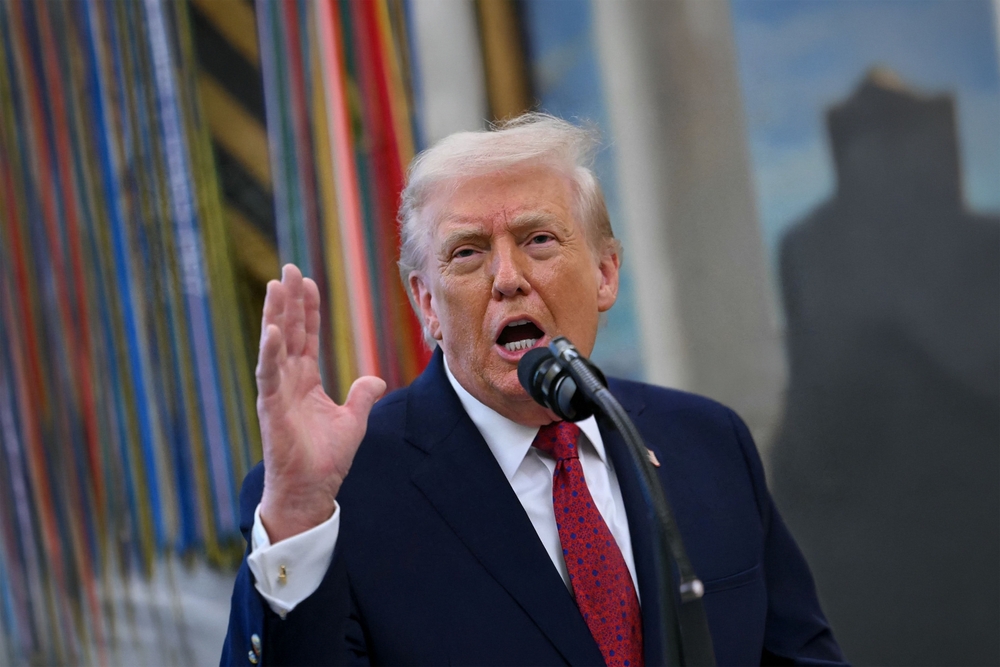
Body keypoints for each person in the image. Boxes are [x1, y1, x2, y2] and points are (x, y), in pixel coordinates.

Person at [221, 114, 845, 666]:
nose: (507, 278)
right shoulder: (331, 500)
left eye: (538, 240)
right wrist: (297, 519)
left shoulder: (708, 442)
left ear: (605, 274)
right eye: (467, 252)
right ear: (427, 303)